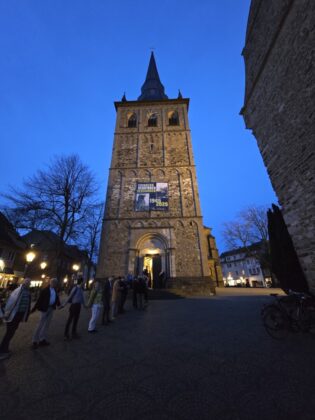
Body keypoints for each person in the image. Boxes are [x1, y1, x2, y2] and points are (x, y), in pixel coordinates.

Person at [0, 278, 31, 360]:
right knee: (9, 332)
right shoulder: (18, 291)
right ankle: (2, 350)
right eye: (27, 282)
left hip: (18, 315)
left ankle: (4, 348)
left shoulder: (27, 292)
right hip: (13, 315)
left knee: (11, 332)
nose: (28, 284)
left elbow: (27, 304)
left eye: (29, 283)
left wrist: (24, 315)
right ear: (23, 283)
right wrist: (7, 314)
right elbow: (11, 302)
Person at [31, 278, 61, 349]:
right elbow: (39, 300)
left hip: (51, 309)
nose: (54, 284)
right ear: (51, 283)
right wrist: (34, 309)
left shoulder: (55, 290)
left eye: (55, 283)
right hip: (45, 308)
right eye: (54, 283)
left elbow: (56, 298)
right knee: (40, 324)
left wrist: (59, 305)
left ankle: (42, 339)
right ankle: (34, 340)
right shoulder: (45, 290)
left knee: (47, 325)